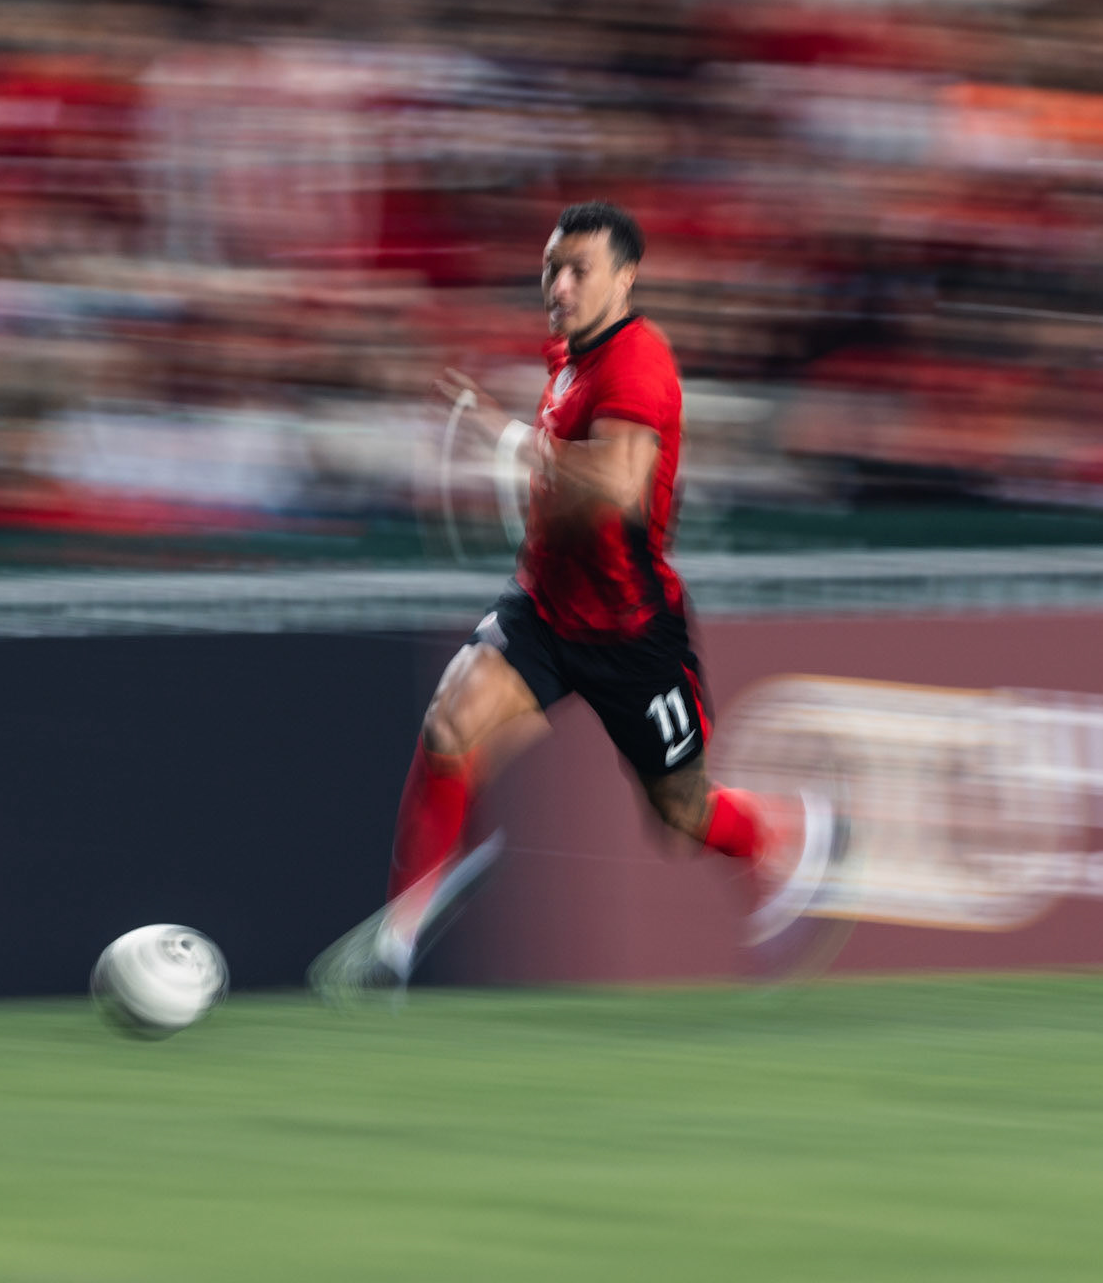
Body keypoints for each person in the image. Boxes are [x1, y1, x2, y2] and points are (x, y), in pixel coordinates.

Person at [310, 199, 833, 997]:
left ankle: (784, 831)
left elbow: (620, 489)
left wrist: (510, 441)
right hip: (546, 610)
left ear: (626, 278)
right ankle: (401, 937)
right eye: (551, 267)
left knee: (681, 814)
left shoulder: (637, 359)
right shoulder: (570, 353)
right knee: (450, 726)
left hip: (632, 633)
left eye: (577, 269)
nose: (558, 283)